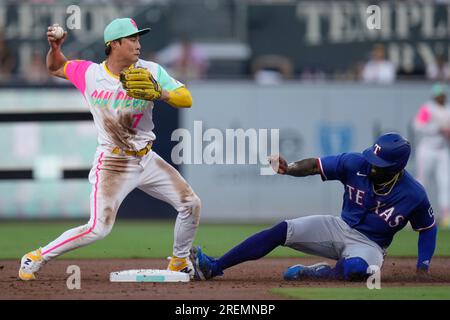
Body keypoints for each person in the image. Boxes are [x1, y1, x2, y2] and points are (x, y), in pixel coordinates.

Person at [18, 18, 201, 280]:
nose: (138, 45)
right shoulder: (91, 74)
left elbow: (186, 98)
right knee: (98, 228)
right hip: (113, 163)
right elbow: (55, 67)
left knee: (191, 204)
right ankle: (35, 257)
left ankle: (179, 261)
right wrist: (55, 48)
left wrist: (161, 93)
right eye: (132, 39)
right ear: (114, 44)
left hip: (146, 158)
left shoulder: (150, 70)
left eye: (139, 39)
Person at [190, 133, 437, 281]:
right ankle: (214, 267)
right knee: (281, 230)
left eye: (379, 164)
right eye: (372, 158)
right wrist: (290, 170)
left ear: (396, 168)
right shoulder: (355, 163)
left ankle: (318, 274)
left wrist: (422, 266)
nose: (372, 165)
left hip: (371, 245)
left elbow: (427, 228)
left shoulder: (413, 194)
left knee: (355, 271)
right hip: (339, 227)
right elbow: (315, 165)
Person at [413, 83, 450, 228]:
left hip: (442, 149)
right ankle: (415, 213)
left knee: (445, 182)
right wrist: (436, 128)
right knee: (421, 182)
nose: (441, 97)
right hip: (427, 149)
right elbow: (418, 125)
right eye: (438, 95)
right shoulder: (428, 108)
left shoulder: (448, 109)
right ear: (434, 96)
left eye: (443, 94)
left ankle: (446, 216)